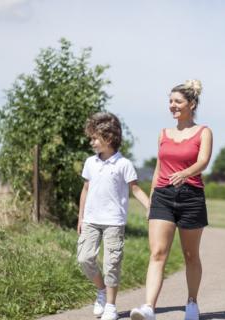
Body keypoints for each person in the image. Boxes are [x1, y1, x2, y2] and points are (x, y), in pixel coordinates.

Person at [129, 79, 213, 320]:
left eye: (178, 101)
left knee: (190, 255)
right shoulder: (163, 134)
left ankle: (192, 303)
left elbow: (204, 160)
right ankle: (148, 307)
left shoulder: (203, 132)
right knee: (157, 253)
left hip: (191, 197)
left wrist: (185, 174)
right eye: (170, 101)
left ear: (192, 103)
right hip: (163, 197)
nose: (172, 106)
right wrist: (152, 200)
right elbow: (158, 169)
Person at [76, 112, 150, 320]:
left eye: (94, 138)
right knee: (84, 258)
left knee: (112, 263)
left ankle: (110, 305)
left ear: (108, 139)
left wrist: (149, 206)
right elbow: (85, 189)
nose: (91, 142)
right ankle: (101, 290)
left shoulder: (123, 164)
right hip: (90, 220)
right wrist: (80, 217)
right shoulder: (90, 162)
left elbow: (135, 189)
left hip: (114, 222)